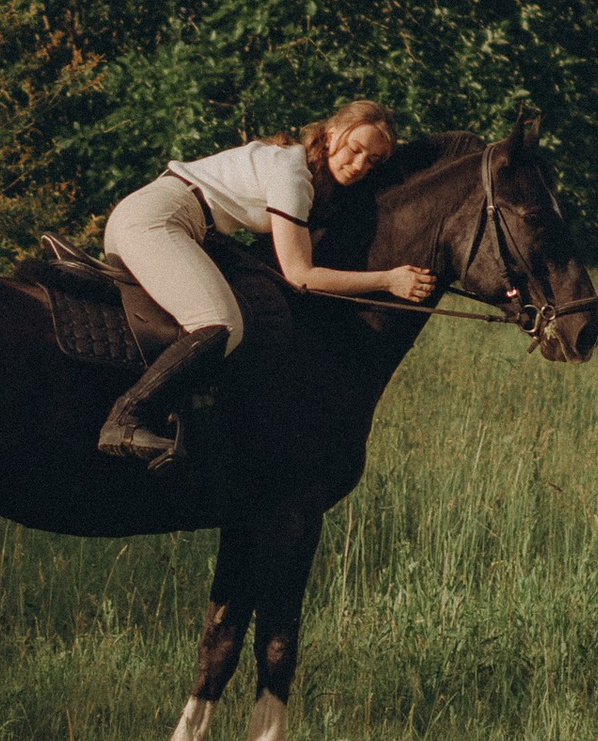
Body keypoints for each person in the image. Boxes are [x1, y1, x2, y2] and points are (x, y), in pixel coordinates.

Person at [94, 99, 438, 467]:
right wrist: (388, 279)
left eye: (371, 161)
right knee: (221, 323)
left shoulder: (297, 166)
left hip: (170, 218)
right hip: (158, 219)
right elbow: (301, 276)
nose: (358, 166)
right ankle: (126, 418)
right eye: (355, 149)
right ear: (332, 132)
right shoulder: (292, 176)